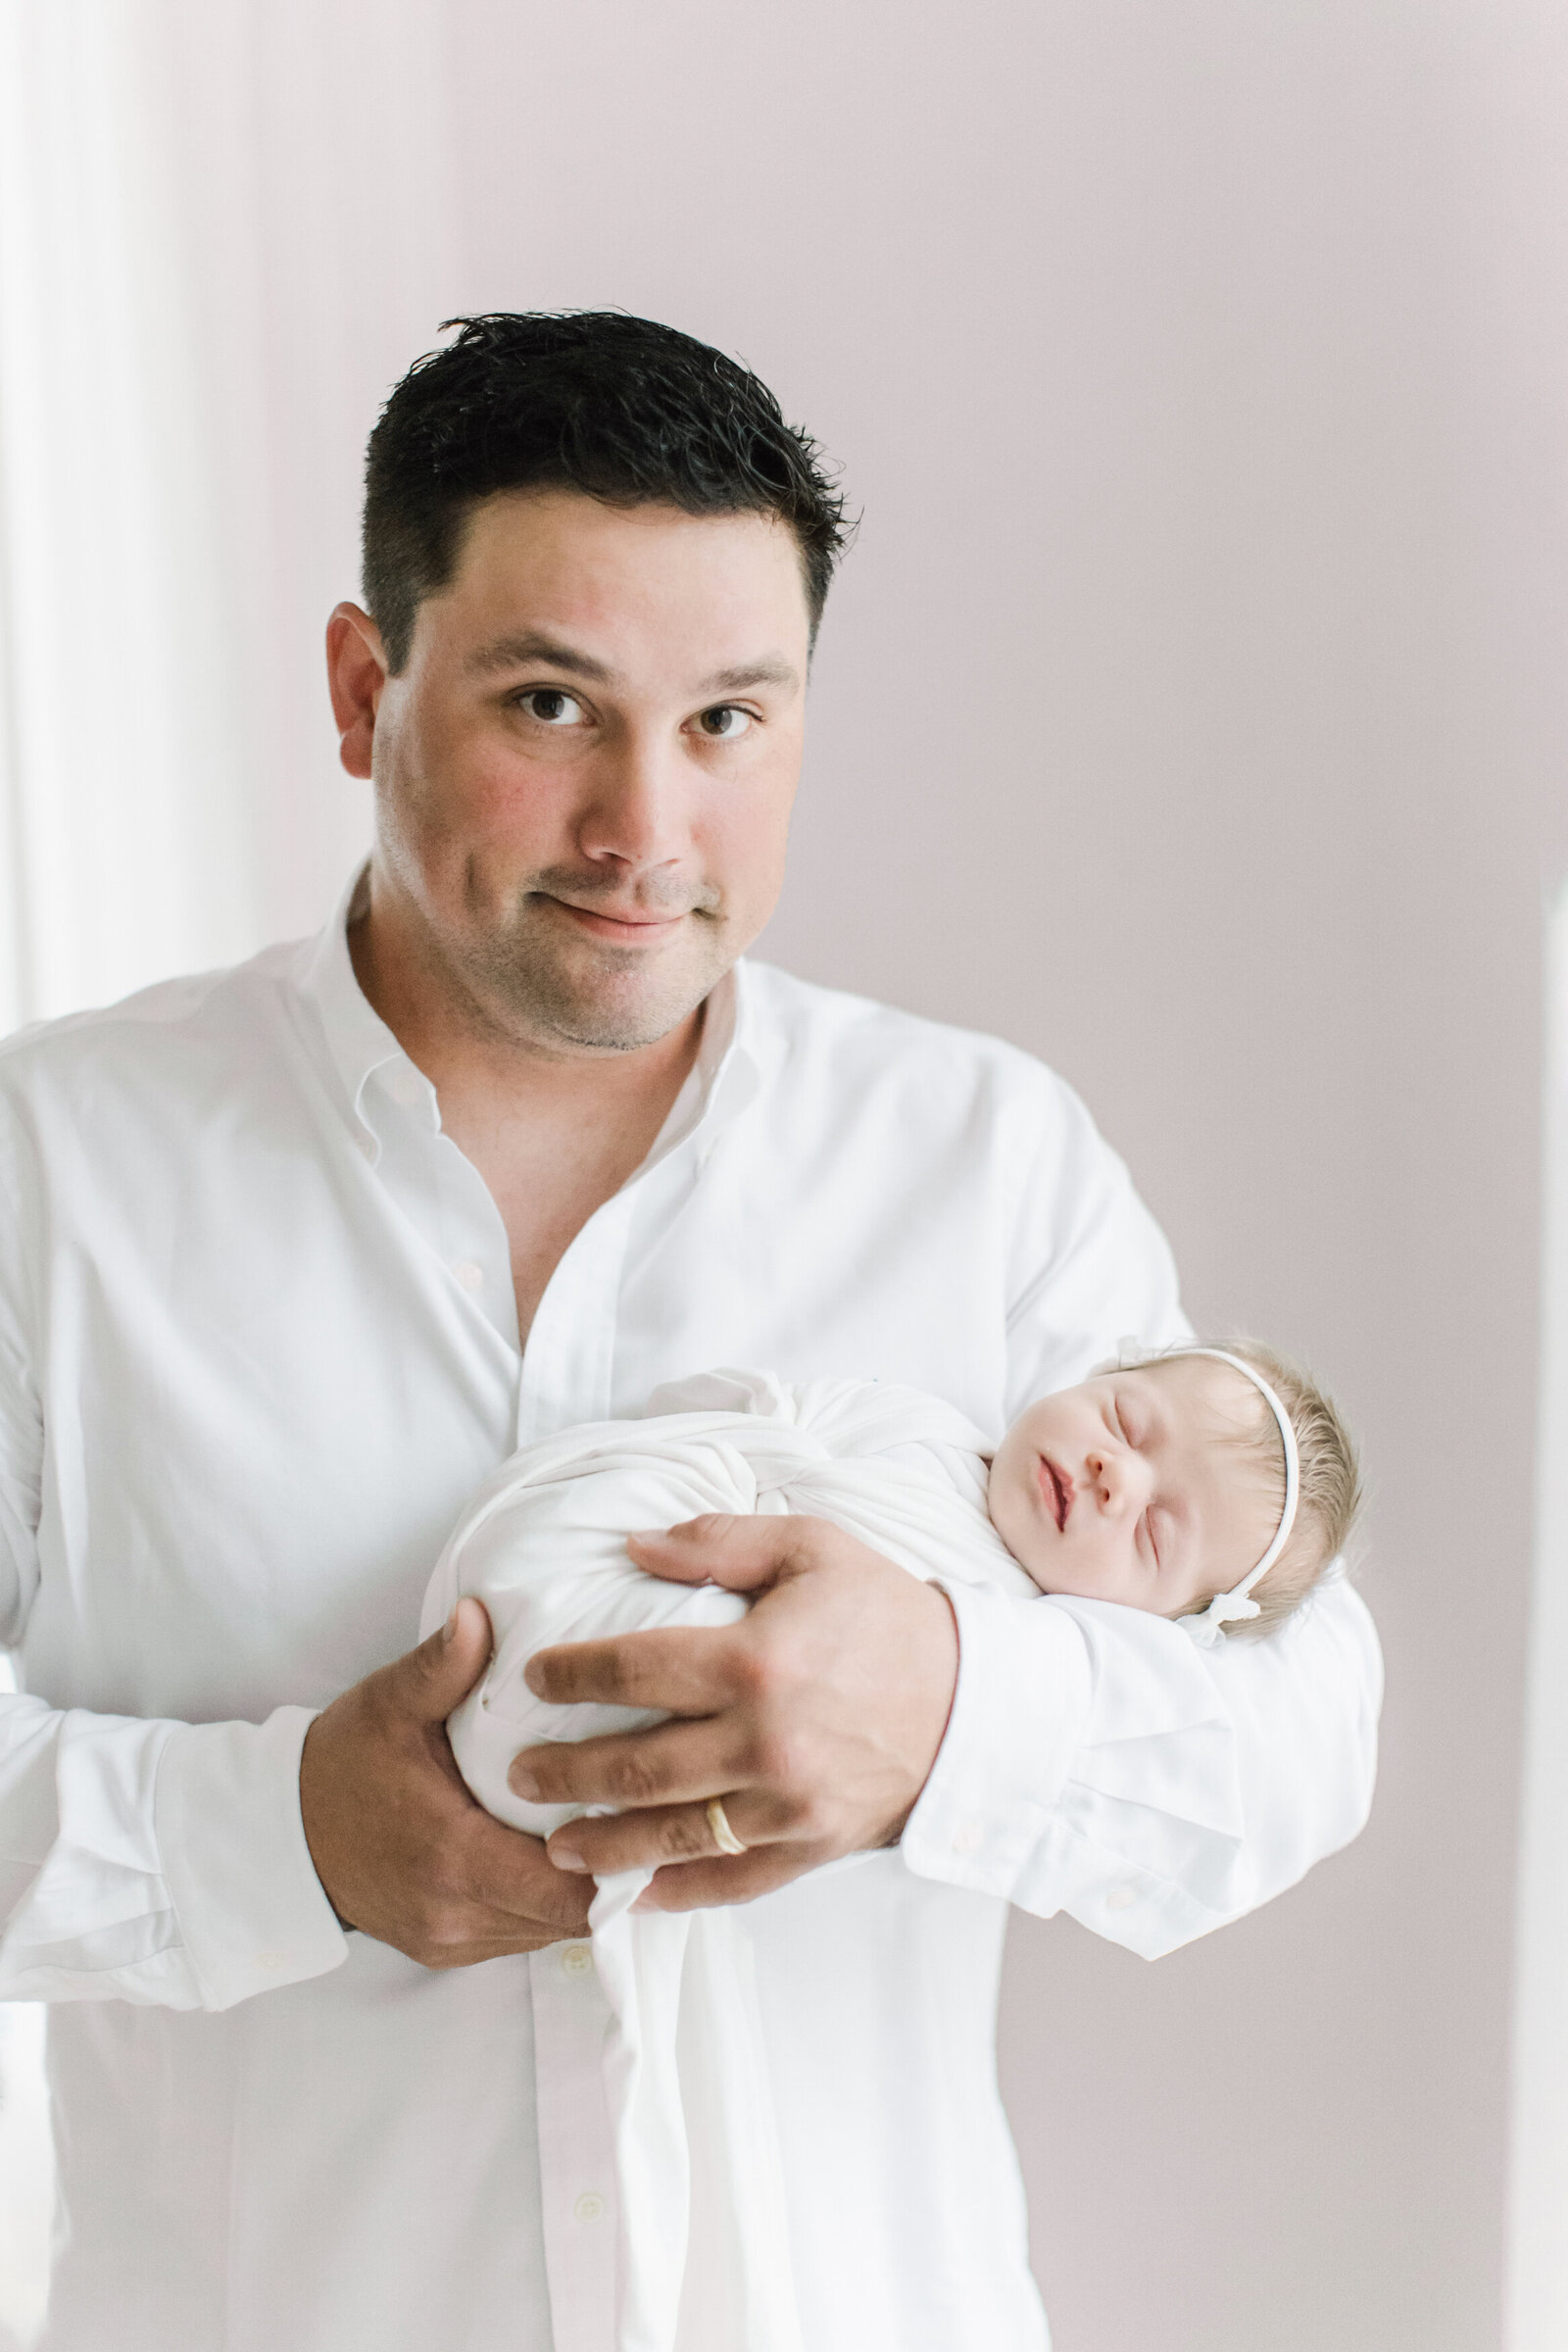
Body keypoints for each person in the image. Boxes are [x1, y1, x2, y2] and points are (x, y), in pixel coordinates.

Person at [0, 312, 1383, 2352]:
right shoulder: (56, 1171)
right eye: (553, 704)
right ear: (359, 687)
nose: (644, 826)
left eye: (730, 719)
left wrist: (946, 1712)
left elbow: (1301, 1724)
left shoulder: (979, 1164)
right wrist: (279, 1842)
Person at [426, 1345, 1363, 2350]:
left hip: (805, 2108)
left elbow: (1309, 1748)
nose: (1112, 1473)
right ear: (1104, 1369)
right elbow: (743, 1410)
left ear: (1151, 1633)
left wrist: (947, 1687)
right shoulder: (907, 1428)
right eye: (1127, 1421)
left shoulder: (1004, 1618)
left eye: (1150, 1530)